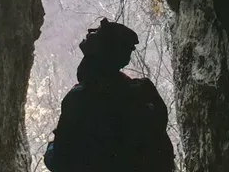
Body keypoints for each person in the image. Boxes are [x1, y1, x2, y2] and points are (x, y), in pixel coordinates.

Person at [43, 18, 175, 172]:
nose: (90, 32)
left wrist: (51, 147)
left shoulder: (79, 100)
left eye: (97, 32)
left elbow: (60, 161)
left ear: (101, 49)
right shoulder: (144, 92)